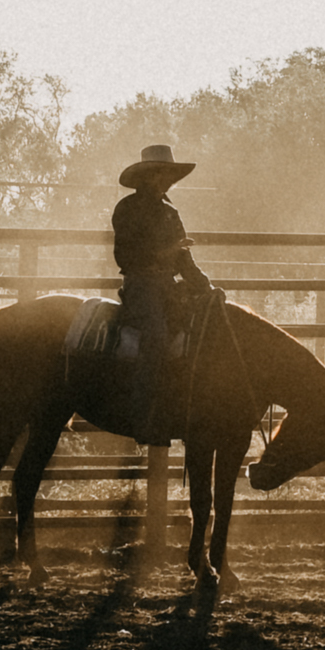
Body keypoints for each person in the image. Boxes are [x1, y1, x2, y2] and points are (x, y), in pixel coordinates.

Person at [112, 144, 213, 445]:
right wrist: (164, 253)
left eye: (170, 174)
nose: (169, 179)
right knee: (155, 335)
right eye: (163, 173)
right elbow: (125, 257)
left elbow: (184, 260)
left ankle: (185, 406)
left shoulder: (171, 212)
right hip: (141, 286)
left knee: (203, 331)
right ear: (149, 175)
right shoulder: (127, 209)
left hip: (167, 288)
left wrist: (205, 285)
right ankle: (142, 416)